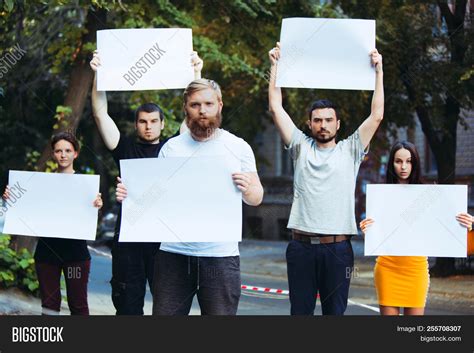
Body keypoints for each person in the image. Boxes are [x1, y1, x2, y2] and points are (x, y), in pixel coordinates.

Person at [116, 78, 264, 315]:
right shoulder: (171, 149)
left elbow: (256, 197)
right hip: (173, 255)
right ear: (185, 108)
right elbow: (155, 198)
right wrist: (130, 193)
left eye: (208, 103)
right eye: (195, 104)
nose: (202, 110)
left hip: (220, 255)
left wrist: (247, 188)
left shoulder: (238, 147)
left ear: (220, 105)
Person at [268, 42, 384, 315]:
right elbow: (275, 108)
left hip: (338, 249)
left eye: (329, 120)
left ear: (338, 124)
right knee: (301, 314)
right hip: (301, 248)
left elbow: (376, 115)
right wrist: (275, 66)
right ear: (309, 124)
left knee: (334, 314)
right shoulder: (300, 146)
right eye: (317, 120)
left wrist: (379, 71)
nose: (323, 125)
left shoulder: (351, 149)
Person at [89, 50, 203, 315]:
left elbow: (195, 115)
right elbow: (99, 113)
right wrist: (97, 74)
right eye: (143, 121)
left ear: (163, 124)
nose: (148, 126)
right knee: (128, 307)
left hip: (164, 241)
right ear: (136, 124)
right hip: (128, 241)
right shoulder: (124, 147)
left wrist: (196, 73)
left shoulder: (174, 147)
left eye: (153, 121)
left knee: (167, 308)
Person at [359, 141, 473, 315]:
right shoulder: (381, 196)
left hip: (416, 269)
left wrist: (469, 225)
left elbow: (446, 227)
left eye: (409, 161)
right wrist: (367, 230)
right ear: (392, 164)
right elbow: (377, 239)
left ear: (415, 163)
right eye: (398, 161)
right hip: (387, 268)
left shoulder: (429, 195)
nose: (404, 166)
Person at [2, 131, 102, 315]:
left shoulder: (87, 185)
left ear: (76, 153)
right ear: (53, 153)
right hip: (47, 256)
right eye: (58, 151)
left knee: (78, 303)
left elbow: (91, 217)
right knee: (49, 306)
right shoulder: (40, 183)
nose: (63, 155)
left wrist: (97, 205)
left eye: (67, 150)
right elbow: (26, 207)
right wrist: (11, 197)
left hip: (75, 257)